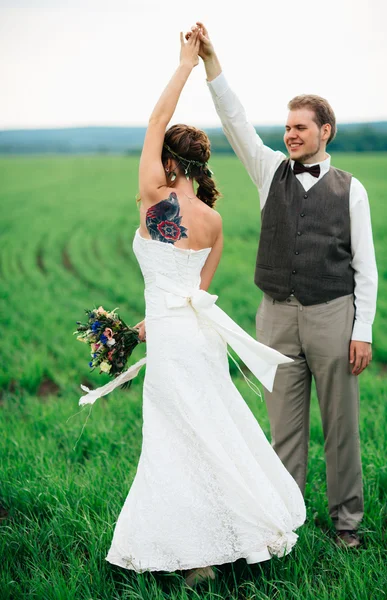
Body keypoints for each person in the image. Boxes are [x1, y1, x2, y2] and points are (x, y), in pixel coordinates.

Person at [80, 29, 306, 587]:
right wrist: (141, 327)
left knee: (172, 445)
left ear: (168, 164)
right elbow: (195, 293)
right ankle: (229, 536)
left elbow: (156, 120)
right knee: (212, 433)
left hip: (175, 341)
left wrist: (184, 63)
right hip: (196, 338)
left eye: (159, 155)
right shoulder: (212, 221)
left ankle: (191, 558)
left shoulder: (155, 200)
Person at [186, 22, 378, 549]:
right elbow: (236, 119)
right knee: (283, 432)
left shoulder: (351, 190)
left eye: (301, 127)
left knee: (340, 427)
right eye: (288, 127)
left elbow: (367, 268)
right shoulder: (269, 170)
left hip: (332, 316)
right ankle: (282, 525)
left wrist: (362, 331)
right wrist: (210, 62)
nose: (291, 134)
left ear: (325, 132)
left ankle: (347, 525)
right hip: (275, 316)